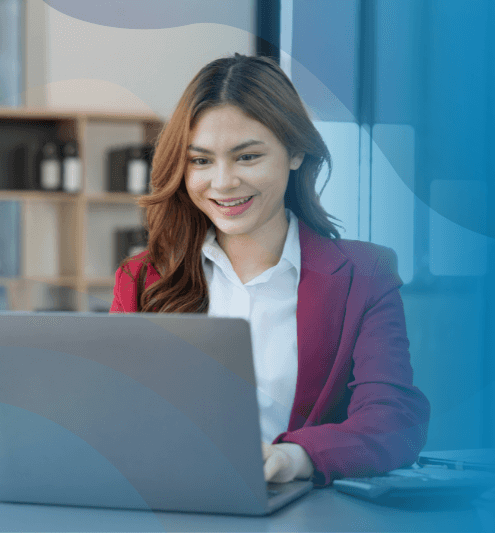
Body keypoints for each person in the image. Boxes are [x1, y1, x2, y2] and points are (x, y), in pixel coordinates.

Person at [110, 53, 430, 487]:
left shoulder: (366, 275)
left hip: (304, 513)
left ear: (295, 151)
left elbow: (394, 422)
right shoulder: (141, 279)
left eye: (247, 157)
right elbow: (115, 415)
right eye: (201, 161)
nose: (222, 182)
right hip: (173, 507)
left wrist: (294, 458)